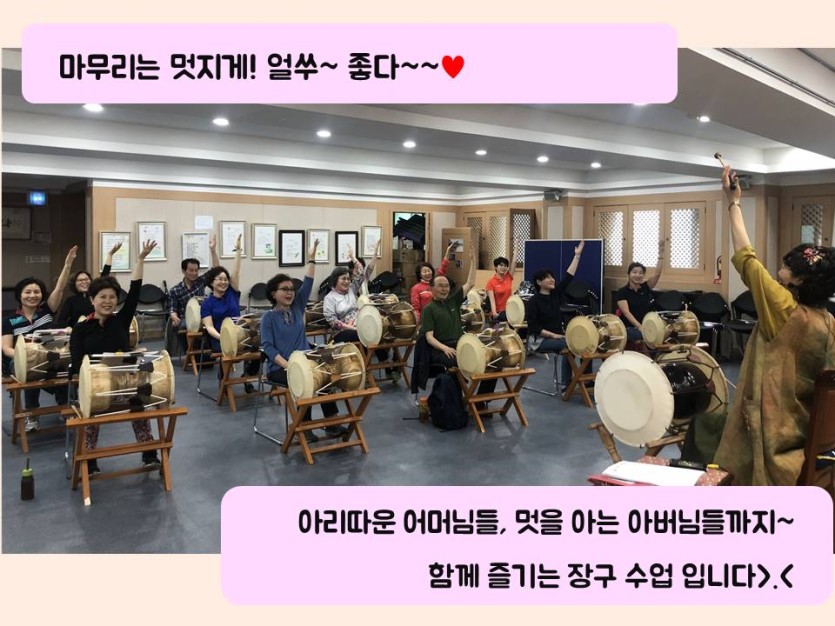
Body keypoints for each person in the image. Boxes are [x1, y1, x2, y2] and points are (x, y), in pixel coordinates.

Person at [712, 163, 835, 489]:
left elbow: (746, 258)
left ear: (799, 280)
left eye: (786, 265)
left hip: (769, 432)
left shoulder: (782, 308)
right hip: (804, 433)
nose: (780, 267)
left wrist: (733, 202)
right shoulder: (827, 321)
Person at [69, 240, 160, 474]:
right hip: (95, 384)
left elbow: (135, 290)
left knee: (138, 402)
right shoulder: (81, 328)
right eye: (102, 297)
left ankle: (149, 452)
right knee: (91, 412)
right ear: (92, 300)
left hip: (123, 381)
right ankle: (90, 459)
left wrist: (141, 259)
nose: (108, 301)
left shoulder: (121, 320)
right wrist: (95, 375)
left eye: (112, 297)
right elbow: (78, 363)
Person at [261, 238, 347, 443]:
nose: (290, 292)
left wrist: (312, 258)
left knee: (326, 375)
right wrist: (289, 365)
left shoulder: (297, 307)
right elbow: (268, 348)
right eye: (284, 289)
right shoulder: (268, 318)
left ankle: (332, 424)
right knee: (307, 379)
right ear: (273, 293)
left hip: (306, 361)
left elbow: (307, 282)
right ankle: (304, 427)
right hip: (279, 368)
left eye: (291, 289)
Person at [2, 245, 77, 429]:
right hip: (21, 362)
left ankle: (65, 406)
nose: (32, 295)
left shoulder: (46, 311)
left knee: (66, 366)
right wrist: (25, 355)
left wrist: (68, 264)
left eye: (36, 292)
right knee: (32, 368)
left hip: (49, 358)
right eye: (27, 292)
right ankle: (32, 414)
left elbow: (59, 289)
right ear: (19, 295)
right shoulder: (9, 320)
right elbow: (6, 348)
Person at [420, 247, 496, 399]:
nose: (444, 289)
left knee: (492, 362)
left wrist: (473, 261)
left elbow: (471, 282)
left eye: (446, 286)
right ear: (431, 289)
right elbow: (429, 337)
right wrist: (444, 348)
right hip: (440, 349)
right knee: (463, 362)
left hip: (459, 344)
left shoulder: (453, 301)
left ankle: (481, 400)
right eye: (440, 286)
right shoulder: (429, 309)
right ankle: (460, 399)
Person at [323, 241, 395, 381]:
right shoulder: (329, 298)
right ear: (335, 280)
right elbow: (333, 322)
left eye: (348, 279)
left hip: (359, 326)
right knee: (366, 335)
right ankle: (366, 370)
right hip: (341, 332)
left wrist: (353, 257)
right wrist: (354, 328)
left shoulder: (351, 290)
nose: (347, 281)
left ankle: (385, 366)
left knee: (379, 332)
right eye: (343, 279)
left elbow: (361, 271)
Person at [200, 234, 260, 390]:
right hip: (219, 338)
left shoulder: (232, 293)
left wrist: (238, 250)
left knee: (261, 347)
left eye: (225, 279)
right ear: (212, 282)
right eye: (219, 279)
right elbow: (209, 327)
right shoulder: (207, 304)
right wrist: (224, 337)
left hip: (241, 334)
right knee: (227, 352)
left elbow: (236, 272)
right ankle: (224, 380)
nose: (223, 282)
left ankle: (247, 376)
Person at [526, 241, 585, 390]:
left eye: (552, 277)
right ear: (539, 282)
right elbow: (533, 327)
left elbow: (568, 277)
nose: (552, 279)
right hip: (539, 341)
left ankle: (586, 379)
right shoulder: (533, 301)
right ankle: (566, 384)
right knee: (571, 345)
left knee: (584, 344)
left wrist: (577, 256)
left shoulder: (555, 295)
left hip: (557, 337)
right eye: (548, 277)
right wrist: (553, 335)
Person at [167, 234, 220, 352]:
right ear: (184, 271)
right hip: (185, 319)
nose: (194, 273)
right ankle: (190, 351)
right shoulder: (175, 290)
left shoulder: (201, 281)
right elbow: (172, 309)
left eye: (196, 270)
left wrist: (213, 250)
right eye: (191, 270)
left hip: (204, 316)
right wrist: (173, 316)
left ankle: (211, 350)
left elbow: (216, 270)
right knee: (181, 325)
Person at [56, 241, 121, 329]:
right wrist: (69, 328)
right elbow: (61, 321)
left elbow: (105, 274)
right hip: (79, 332)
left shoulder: (96, 296)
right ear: (74, 284)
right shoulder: (70, 301)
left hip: (99, 330)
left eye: (86, 279)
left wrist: (110, 255)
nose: (84, 282)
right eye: (80, 280)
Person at [615, 241, 666, 342]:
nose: (638, 275)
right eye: (634, 272)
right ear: (629, 274)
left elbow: (657, 274)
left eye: (641, 273)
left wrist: (661, 255)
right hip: (629, 328)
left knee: (662, 334)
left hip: (646, 326)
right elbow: (626, 313)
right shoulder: (622, 292)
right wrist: (640, 327)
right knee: (642, 336)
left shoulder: (645, 287)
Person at [410, 240, 455, 322]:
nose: (427, 273)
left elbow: (443, 266)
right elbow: (415, 308)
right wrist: (418, 321)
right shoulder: (416, 288)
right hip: (426, 318)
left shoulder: (436, 281)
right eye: (424, 271)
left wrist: (448, 251)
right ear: (419, 274)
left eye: (429, 270)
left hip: (441, 315)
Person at [485, 239, 520, 323]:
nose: (503, 267)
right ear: (495, 267)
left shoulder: (508, 277)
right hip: (498, 313)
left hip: (509, 311)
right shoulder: (491, 282)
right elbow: (492, 300)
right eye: (501, 265)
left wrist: (516, 245)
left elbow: (514, 262)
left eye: (505, 266)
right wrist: (494, 314)